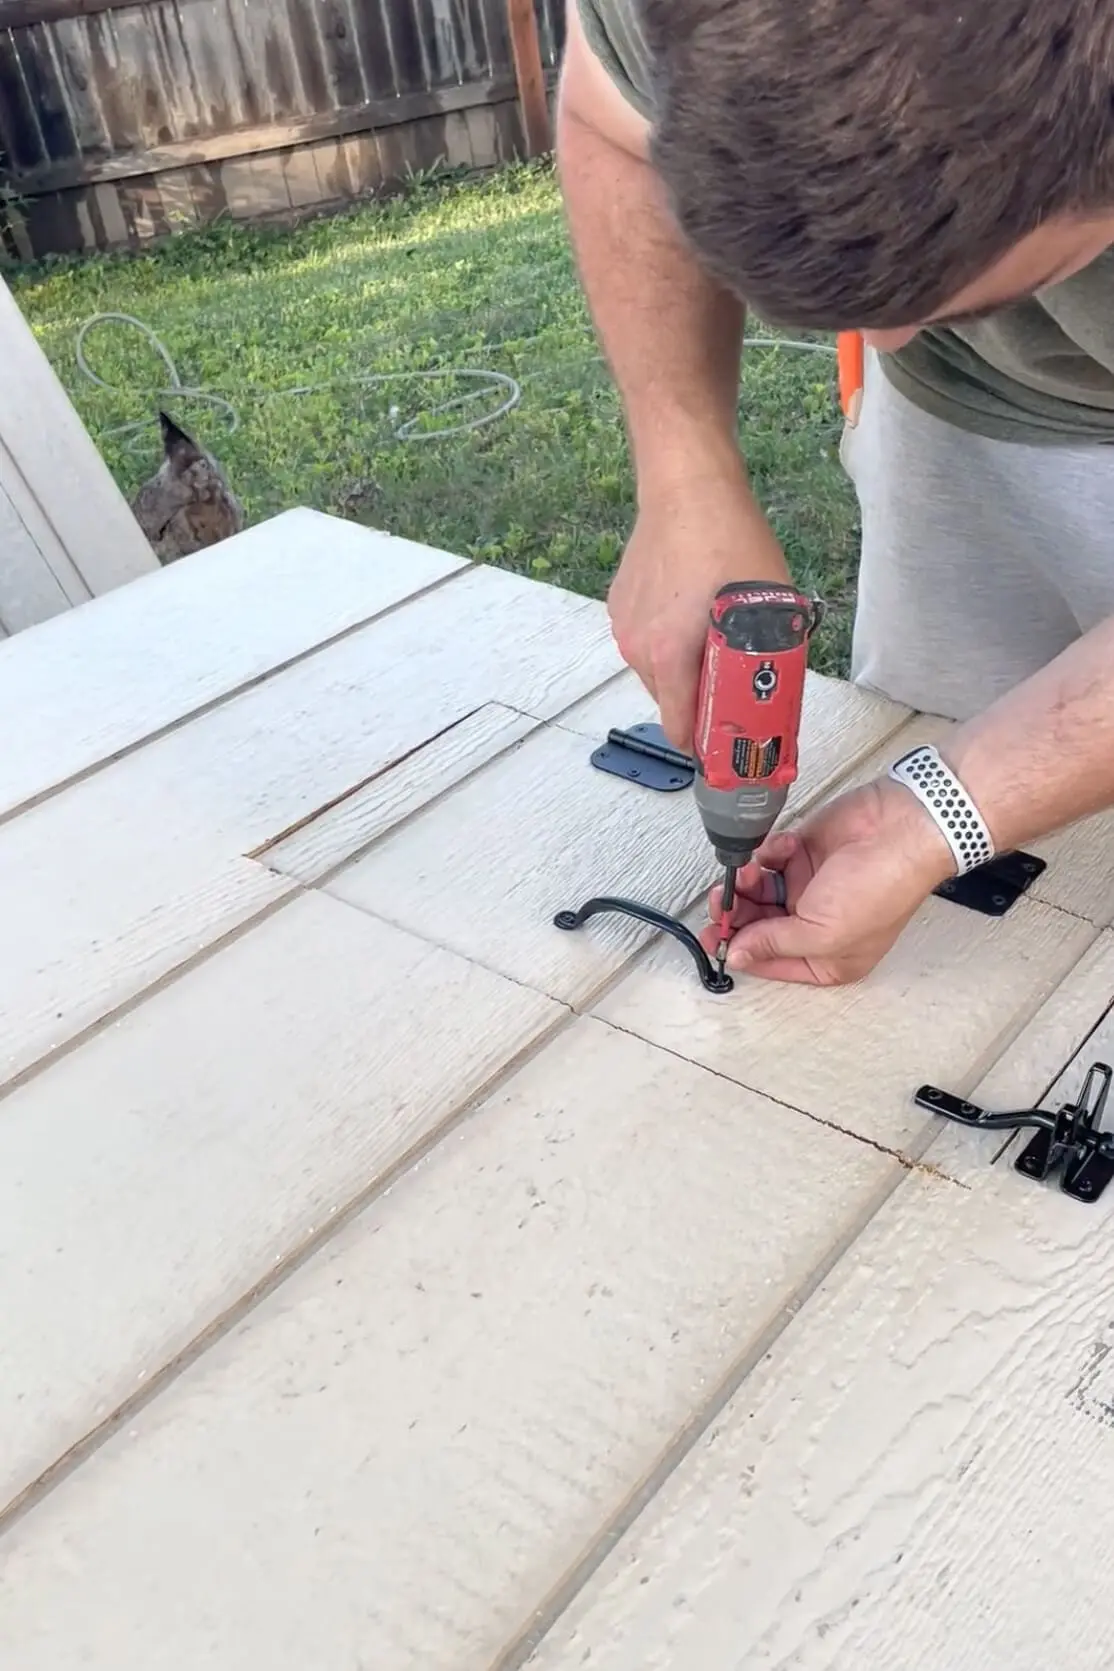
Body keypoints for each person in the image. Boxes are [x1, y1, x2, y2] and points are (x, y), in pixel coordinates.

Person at [555, 0, 1114, 986]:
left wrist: (950, 804)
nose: (884, 340)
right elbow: (609, 115)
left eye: (961, 296)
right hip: (964, 425)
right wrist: (685, 472)